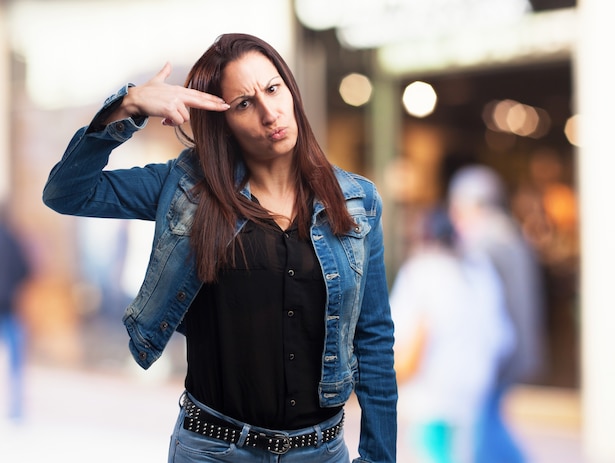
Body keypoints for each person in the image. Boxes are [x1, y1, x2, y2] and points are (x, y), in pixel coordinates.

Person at [42, 33, 397, 462]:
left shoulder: (357, 201)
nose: (270, 113)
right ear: (222, 119)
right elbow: (66, 193)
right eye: (244, 104)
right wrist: (128, 107)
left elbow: (373, 338)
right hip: (214, 449)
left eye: (272, 88)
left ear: (291, 89)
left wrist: (379, 457)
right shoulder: (188, 189)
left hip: (320, 451)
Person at [390, 207, 514, 463]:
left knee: (433, 453)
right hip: (475, 389)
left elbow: (398, 332)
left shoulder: (421, 271)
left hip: (432, 391)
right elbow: (502, 338)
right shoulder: (480, 271)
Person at [447, 165, 545, 463]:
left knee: (485, 430)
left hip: (497, 354)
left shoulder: (485, 242)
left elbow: (479, 308)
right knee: (487, 425)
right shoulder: (508, 235)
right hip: (512, 349)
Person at [0, 207, 30, 421]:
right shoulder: (12, 239)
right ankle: (16, 410)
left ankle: (17, 410)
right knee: (16, 362)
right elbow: (26, 269)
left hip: (9, 308)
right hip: (9, 306)